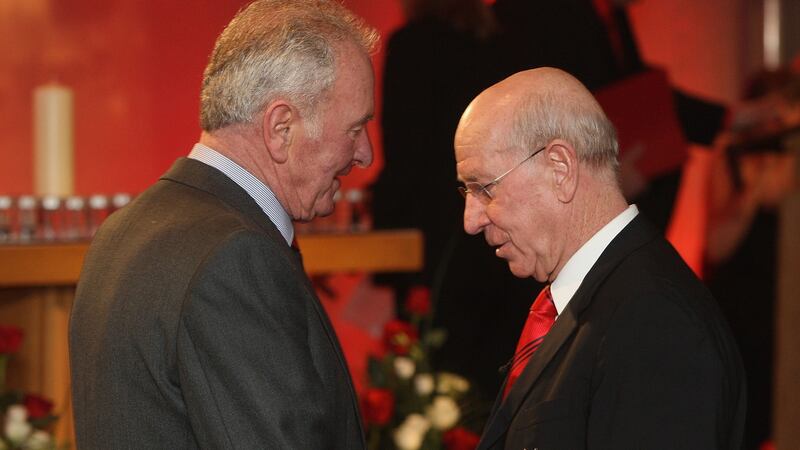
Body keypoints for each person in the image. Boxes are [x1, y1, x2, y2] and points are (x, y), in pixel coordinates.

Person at [69, 1, 377, 448]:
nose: (365, 153)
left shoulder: (123, 230)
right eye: (355, 128)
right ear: (281, 127)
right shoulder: (234, 257)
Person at [454, 67, 746, 449]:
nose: (471, 221)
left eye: (484, 188)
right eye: (466, 192)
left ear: (560, 168)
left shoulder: (656, 320)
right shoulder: (607, 300)